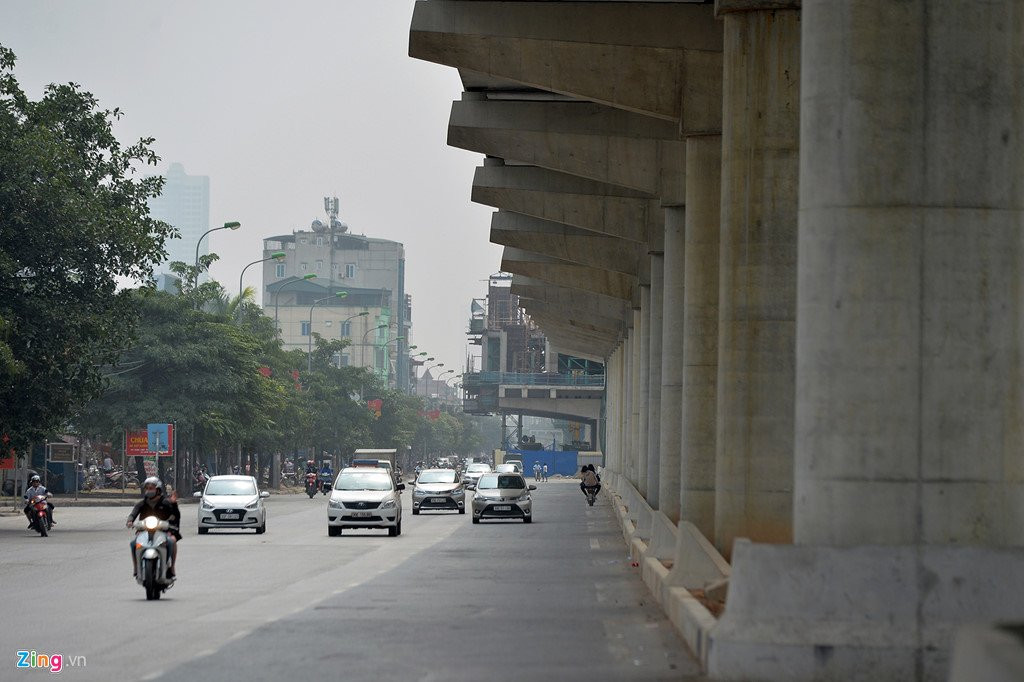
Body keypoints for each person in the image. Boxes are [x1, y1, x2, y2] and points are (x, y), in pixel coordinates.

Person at [126, 477, 181, 578]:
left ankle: (171, 567)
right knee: (134, 544)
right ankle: (136, 567)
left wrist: (174, 505)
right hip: (144, 531)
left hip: (163, 531)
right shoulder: (142, 503)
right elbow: (133, 513)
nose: (148, 491)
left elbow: (175, 515)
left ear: (158, 490)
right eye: (147, 488)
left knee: (171, 541)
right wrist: (130, 521)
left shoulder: (166, 503)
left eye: (151, 488)